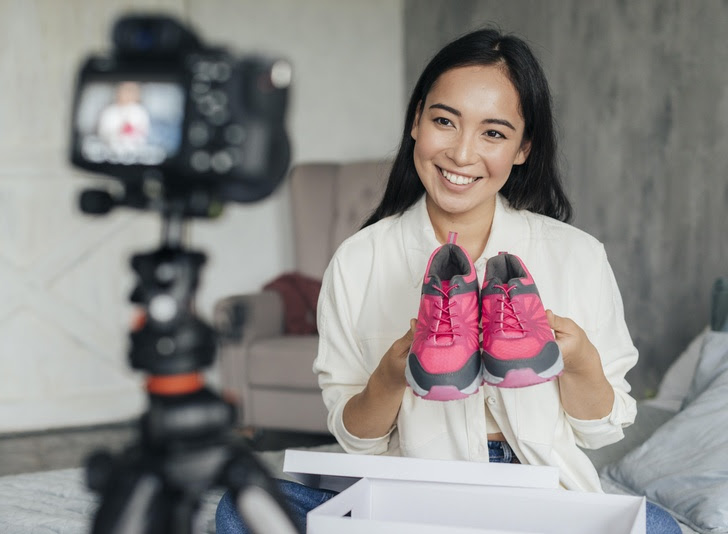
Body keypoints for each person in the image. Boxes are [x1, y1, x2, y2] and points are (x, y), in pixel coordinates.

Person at [216, 28, 681, 533]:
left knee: (657, 527)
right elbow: (356, 438)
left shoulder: (577, 255)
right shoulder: (359, 260)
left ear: (523, 149)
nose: (462, 154)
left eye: (494, 133)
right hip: (412, 493)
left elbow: (601, 430)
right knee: (241, 508)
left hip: (540, 495)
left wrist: (580, 358)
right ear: (416, 120)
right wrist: (393, 374)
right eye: (444, 121)